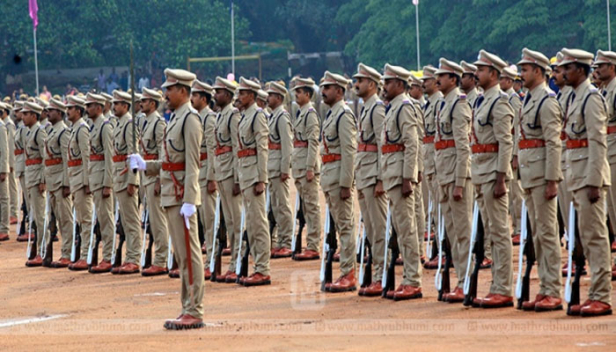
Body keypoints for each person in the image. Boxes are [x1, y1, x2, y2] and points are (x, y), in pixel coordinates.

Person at [129, 68, 205, 330]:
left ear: (183, 91)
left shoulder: (190, 120)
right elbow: (168, 162)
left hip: (182, 195)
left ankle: (195, 309)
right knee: (182, 256)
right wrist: (145, 165)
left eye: (169, 89)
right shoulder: (174, 119)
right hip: (172, 193)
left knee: (189, 253)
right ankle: (187, 306)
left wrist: (190, 200)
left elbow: (193, 164)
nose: (165, 94)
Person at [559, 48, 612, 317]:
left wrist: (593, 181)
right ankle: (594, 294)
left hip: (588, 179)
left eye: (567, 67)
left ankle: (601, 295)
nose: (563, 72)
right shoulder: (574, 97)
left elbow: (597, 142)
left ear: (580, 69)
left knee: (595, 237)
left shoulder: (591, 98)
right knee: (584, 237)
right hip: (576, 177)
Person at [515, 48, 564, 311]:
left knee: (547, 233)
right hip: (530, 175)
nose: (521, 74)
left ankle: (552, 289)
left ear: (538, 71)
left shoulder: (546, 100)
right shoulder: (529, 99)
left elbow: (553, 143)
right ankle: (545, 287)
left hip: (542, 176)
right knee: (537, 235)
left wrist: (552, 179)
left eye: (525, 69)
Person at [470, 50, 515, 308]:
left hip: (492, 175)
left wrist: (500, 178)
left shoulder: (499, 102)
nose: (477, 73)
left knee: (499, 232)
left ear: (494, 74)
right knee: (490, 232)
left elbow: (505, 142)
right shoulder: (481, 101)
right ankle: (497, 284)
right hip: (481, 172)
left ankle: (504, 287)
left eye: (481, 70)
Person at [380, 64, 422, 300]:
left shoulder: (404, 107)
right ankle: (408, 278)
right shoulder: (392, 108)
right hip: (392, 175)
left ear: (399, 84)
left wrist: (408, 176)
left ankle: (413, 280)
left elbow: (411, 143)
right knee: (401, 230)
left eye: (387, 82)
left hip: (400, 177)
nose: (384, 87)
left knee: (407, 230)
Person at [434, 58, 472, 303]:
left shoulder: (458, 104)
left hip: (455, 177)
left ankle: (466, 280)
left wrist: (459, 181)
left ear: (453, 79)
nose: (438, 79)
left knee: (462, 232)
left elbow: (463, 147)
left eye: (443, 75)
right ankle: (459, 279)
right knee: (451, 231)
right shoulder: (443, 103)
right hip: (444, 175)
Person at [319, 71, 357, 292]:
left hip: (338, 179)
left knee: (345, 227)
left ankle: (348, 273)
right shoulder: (332, 114)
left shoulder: (343, 114)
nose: (323, 91)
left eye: (328, 87)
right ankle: (345, 271)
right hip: (329, 176)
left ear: (339, 91)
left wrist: (345, 183)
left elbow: (349, 151)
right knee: (340, 227)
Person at [352, 63, 387, 296]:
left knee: (379, 229)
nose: (356, 84)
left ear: (372, 84)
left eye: (360, 81)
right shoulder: (366, 108)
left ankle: (381, 274)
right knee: (371, 229)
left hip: (374, 176)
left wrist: (380, 179)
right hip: (364, 174)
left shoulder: (376, 109)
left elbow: (383, 146)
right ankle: (376, 273)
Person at [234, 77, 271, 286]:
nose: (239, 96)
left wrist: (261, 179)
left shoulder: (257, 115)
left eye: (242, 93)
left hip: (253, 176)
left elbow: (261, 148)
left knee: (258, 223)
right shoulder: (244, 116)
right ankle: (258, 265)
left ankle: (263, 268)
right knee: (251, 223)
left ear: (251, 95)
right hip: (245, 174)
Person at [211, 76, 242, 283]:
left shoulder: (233, 115)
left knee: (237, 221)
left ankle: (238, 262)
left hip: (231, 172)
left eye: (219, 92)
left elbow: (238, 148)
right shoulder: (221, 115)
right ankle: (234, 261)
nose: (215, 95)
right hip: (222, 172)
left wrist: (238, 178)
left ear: (228, 96)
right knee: (229, 222)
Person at [109, 90, 141, 274]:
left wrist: (132, 180)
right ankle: (130, 256)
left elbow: (133, 154)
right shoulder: (120, 124)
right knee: (126, 221)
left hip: (126, 177)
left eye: (117, 103)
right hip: (119, 176)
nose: (114, 107)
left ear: (126, 106)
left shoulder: (129, 124)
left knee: (131, 219)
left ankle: (134, 258)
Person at [291, 78, 322, 261]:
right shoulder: (300, 113)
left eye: (300, 92)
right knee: (305, 207)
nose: (296, 95)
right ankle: (309, 243)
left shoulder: (310, 114)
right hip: (300, 166)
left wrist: (310, 167)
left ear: (308, 95)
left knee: (311, 206)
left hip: (306, 167)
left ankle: (313, 245)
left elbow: (312, 142)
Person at [84, 93, 115, 274]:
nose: (86, 109)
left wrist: (107, 184)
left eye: (90, 106)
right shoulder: (94, 126)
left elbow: (109, 158)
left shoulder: (105, 127)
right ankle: (106, 255)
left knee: (106, 220)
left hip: (102, 179)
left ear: (98, 107)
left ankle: (109, 256)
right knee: (101, 220)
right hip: (95, 178)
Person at [190, 80, 217, 278]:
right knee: (201, 220)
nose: (192, 98)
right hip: (199, 171)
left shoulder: (209, 119)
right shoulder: (198, 118)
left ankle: (213, 261)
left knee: (210, 220)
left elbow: (213, 150)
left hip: (207, 171)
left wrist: (211, 178)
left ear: (204, 99)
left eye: (195, 95)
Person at [43, 99, 74, 268]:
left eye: (52, 111)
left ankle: (67, 253)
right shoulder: (51, 131)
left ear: (59, 114)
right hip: (52, 181)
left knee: (65, 219)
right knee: (56, 220)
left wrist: (66, 183)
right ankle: (64, 251)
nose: (48, 113)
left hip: (60, 182)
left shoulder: (63, 132)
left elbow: (66, 160)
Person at [265, 81, 294, 258]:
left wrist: (285, 168)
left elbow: (286, 145)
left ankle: (287, 241)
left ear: (278, 98)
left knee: (283, 206)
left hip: (278, 168)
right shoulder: (273, 116)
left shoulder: (282, 117)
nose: (267, 98)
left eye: (270, 95)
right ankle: (281, 240)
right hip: (272, 167)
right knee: (275, 206)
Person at [66, 96, 94, 271]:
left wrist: (87, 182)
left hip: (81, 179)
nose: (67, 111)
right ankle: (83, 253)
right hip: (74, 177)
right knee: (80, 218)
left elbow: (87, 157)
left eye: (70, 108)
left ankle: (86, 254)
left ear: (78, 110)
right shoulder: (74, 129)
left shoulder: (82, 129)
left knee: (86, 218)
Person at [421, 66, 444, 270]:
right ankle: (440, 248)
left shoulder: (439, 104)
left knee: (440, 208)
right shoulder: (429, 105)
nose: (423, 83)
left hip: (439, 162)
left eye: (427, 80)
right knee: (435, 208)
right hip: (429, 161)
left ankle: (444, 249)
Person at [22, 102, 48, 267]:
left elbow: (45, 157)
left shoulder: (39, 132)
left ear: (34, 115)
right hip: (30, 177)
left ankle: (42, 250)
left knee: (40, 217)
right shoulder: (30, 132)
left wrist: (43, 180)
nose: (23, 117)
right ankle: (38, 249)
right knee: (34, 216)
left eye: (26, 114)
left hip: (37, 178)